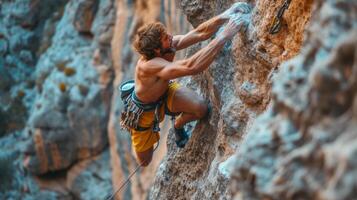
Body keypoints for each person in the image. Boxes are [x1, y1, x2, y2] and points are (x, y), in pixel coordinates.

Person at [121, 3, 251, 166]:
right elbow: (191, 66)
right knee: (145, 161)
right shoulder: (149, 66)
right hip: (144, 112)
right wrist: (223, 36)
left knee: (201, 108)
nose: (170, 36)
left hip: (164, 93)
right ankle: (143, 135)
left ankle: (178, 124)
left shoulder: (166, 47)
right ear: (156, 51)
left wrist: (225, 15)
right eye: (165, 38)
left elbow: (198, 33)